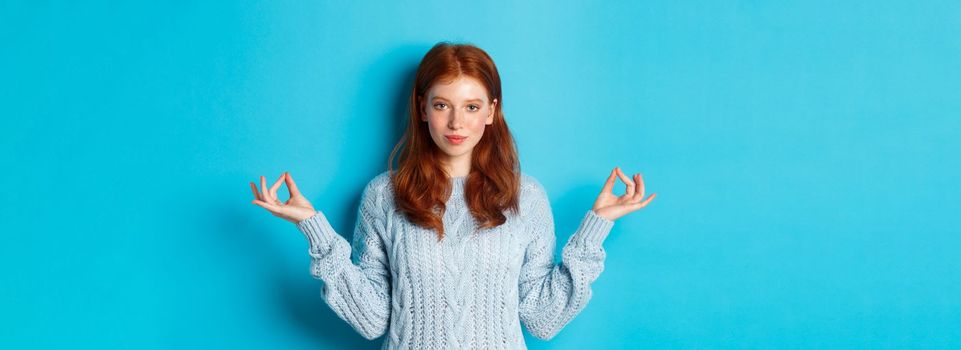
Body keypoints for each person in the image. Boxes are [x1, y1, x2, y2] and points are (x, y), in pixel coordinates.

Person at [249, 41, 656, 349]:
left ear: (492, 111)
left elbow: (542, 318)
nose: (457, 122)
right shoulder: (383, 196)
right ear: (422, 108)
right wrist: (313, 229)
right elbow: (372, 319)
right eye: (442, 104)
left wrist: (596, 228)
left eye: (472, 106)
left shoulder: (525, 197)